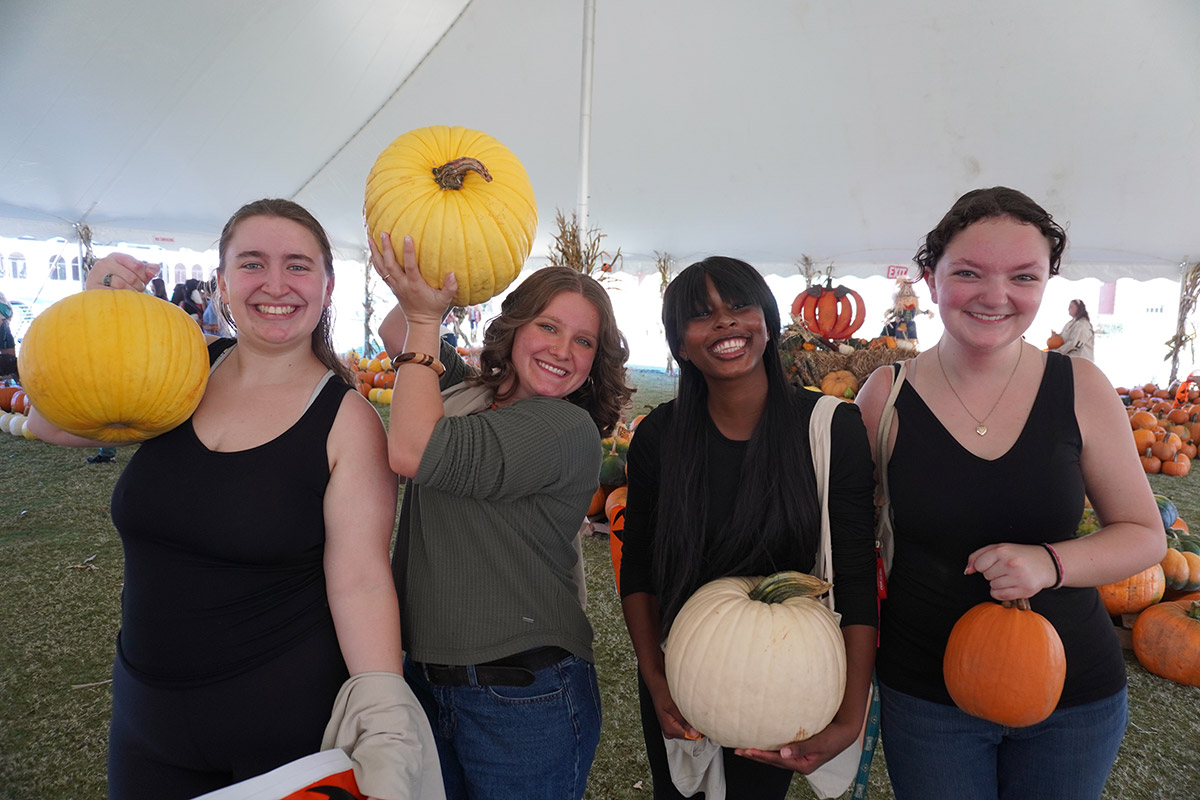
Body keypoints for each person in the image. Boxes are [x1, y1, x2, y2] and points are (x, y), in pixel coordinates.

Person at [29, 199, 439, 800]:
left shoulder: (347, 421)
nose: (275, 284)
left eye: (298, 266)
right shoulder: (179, 375)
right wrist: (99, 309)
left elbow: (360, 579)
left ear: (327, 287)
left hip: (282, 728)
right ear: (221, 283)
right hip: (147, 718)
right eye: (252, 264)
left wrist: (383, 707)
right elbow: (50, 420)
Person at [854, 187, 1164, 800]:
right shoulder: (883, 397)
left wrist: (1051, 562)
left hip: (1071, 693)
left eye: (1023, 276)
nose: (996, 297)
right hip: (925, 695)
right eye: (968, 273)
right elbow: (844, 538)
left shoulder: (1081, 387)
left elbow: (1144, 534)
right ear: (930, 280)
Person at [369, 231, 634, 800]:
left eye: (585, 341)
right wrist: (446, 268)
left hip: (522, 697)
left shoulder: (564, 428)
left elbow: (412, 449)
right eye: (548, 326)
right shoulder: (467, 397)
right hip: (429, 681)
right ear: (513, 327)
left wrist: (423, 320)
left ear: (597, 360)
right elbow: (398, 331)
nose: (564, 350)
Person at [618, 256, 877, 799]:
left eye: (739, 306)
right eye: (700, 314)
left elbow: (854, 574)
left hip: (785, 676)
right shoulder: (660, 437)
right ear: (678, 341)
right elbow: (638, 568)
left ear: (768, 319)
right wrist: (656, 680)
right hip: (681, 667)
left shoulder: (832, 429)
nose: (725, 322)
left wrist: (850, 715)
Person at [0, 291, 16, 356]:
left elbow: (10, 313)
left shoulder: (2, 296)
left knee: (9, 360)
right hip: (4, 327)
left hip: (4, 328)